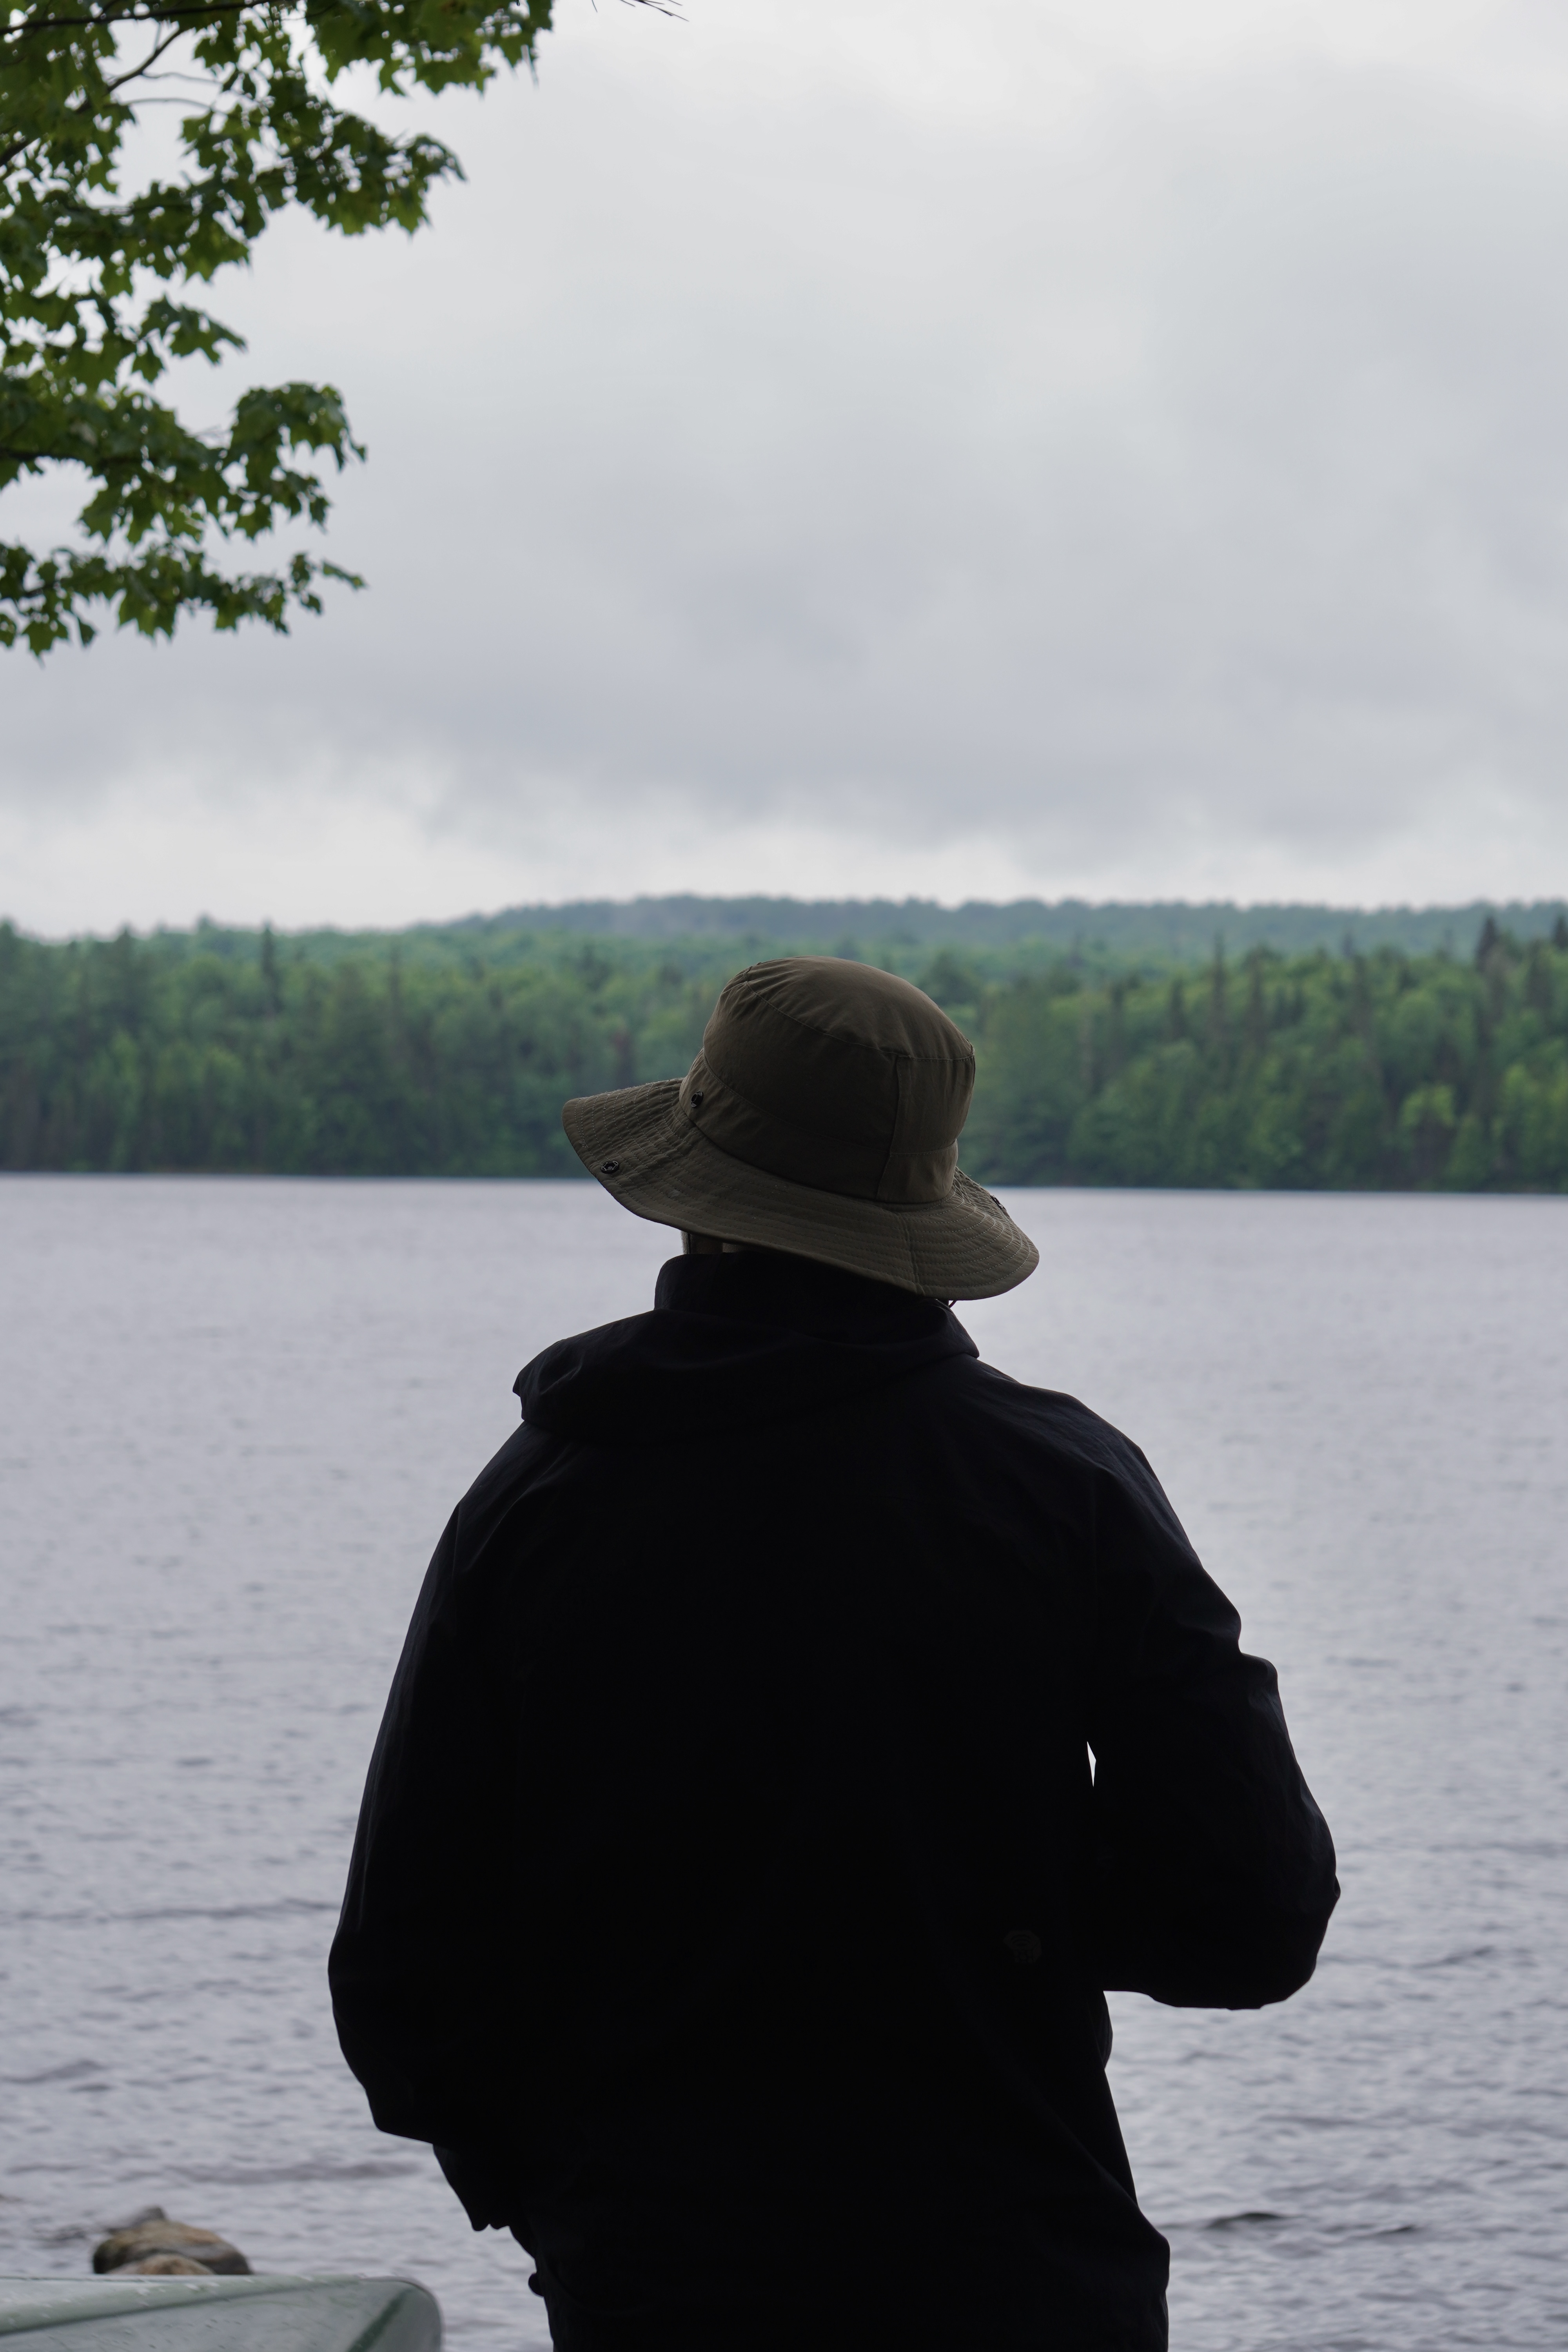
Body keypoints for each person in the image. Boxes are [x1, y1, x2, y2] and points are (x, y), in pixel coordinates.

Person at [329, 956, 1338, 2352]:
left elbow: (405, 1962)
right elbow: (1254, 1917)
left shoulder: (544, 1495)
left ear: (697, 1188)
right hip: (1020, 2275)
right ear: (919, 1203)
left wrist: (560, 2203)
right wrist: (998, 1902)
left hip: (656, 2280)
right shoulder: (1062, 1488)